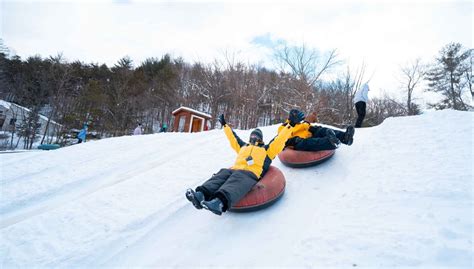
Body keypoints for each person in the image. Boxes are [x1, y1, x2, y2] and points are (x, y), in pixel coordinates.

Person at [185, 110, 304, 216]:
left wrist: (291, 125)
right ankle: (200, 195)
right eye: (252, 136)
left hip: (250, 174)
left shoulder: (267, 150)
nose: (253, 138)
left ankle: (219, 203)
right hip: (234, 170)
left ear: (260, 139)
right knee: (223, 173)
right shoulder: (243, 147)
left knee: (238, 177)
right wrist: (225, 126)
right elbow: (233, 138)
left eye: (256, 136)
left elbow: (279, 139)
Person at [279, 111, 355, 151]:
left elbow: (308, 126)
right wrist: (293, 140)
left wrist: (314, 129)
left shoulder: (301, 124)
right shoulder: (283, 127)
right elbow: (281, 139)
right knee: (307, 142)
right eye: (299, 119)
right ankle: (330, 143)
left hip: (310, 136)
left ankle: (345, 137)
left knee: (321, 130)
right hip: (298, 143)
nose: (300, 120)